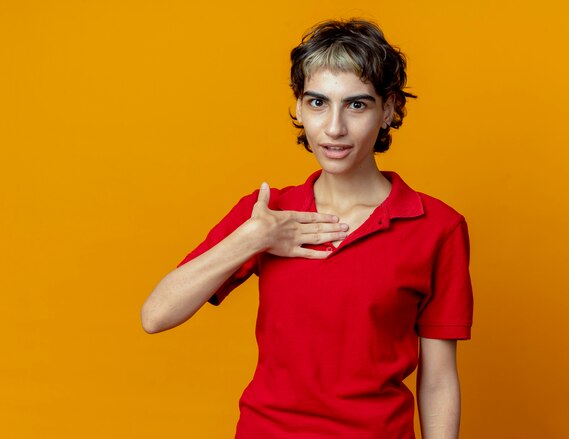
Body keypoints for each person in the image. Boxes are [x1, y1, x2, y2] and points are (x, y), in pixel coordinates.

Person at [141, 19, 473, 439]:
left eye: (357, 105)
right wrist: (254, 238)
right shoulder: (267, 212)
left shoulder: (437, 227)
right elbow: (156, 315)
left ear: (389, 108)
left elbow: (439, 378)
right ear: (298, 107)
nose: (333, 128)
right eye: (318, 103)